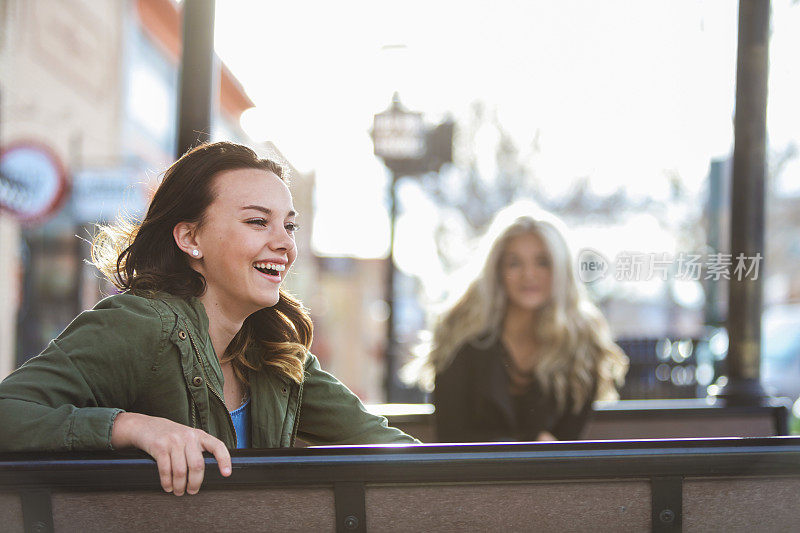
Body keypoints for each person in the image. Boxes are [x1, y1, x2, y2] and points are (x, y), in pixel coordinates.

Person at [0, 141, 418, 496]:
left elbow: (394, 452)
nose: (284, 244)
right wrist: (129, 427)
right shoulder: (141, 324)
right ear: (190, 238)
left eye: (288, 227)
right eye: (258, 221)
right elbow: (9, 412)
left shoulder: (277, 355)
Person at [422, 202, 628, 443]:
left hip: (549, 478)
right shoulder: (459, 331)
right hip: (470, 476)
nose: (529, 274)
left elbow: (566, 442)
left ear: (560, 271)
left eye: (542, 262)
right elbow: (450, 435)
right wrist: (532, 439)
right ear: (498, 270)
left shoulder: (582, 341)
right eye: (514, 263)